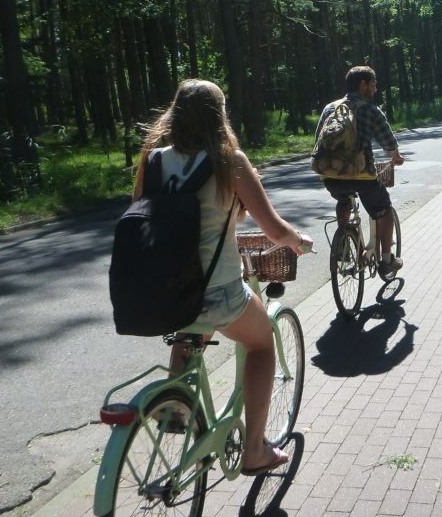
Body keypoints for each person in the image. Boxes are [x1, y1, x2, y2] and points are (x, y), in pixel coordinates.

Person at [133, 79, 312, 477]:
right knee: (261, 340)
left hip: (163, 292)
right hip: (217, 292)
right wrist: (298, 240)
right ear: (220, 116)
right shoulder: (230, 161)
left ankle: (176, 413)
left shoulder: (155, 160)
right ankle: (254, 451)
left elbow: (142, 216)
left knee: (189, 332)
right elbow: (273, 229)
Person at [316, 66, 405, 274]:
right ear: (363, 84)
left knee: (343, 199)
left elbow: (318, 140)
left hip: (330, 174)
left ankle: (344, 243)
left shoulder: (330, 108)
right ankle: (386, 260)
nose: (375, 89)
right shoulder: (370, 109)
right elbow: (387, 140)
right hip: (361, 175)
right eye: (373, 84)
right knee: (384, 209)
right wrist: (396, 156)